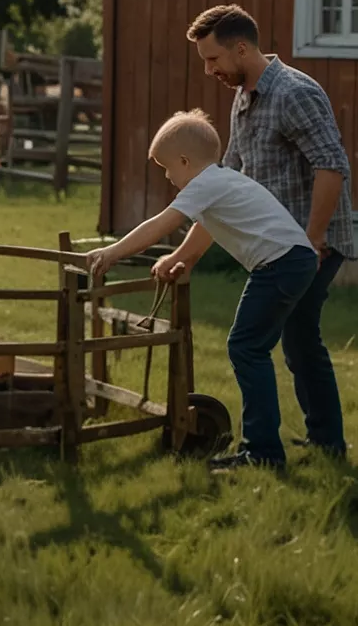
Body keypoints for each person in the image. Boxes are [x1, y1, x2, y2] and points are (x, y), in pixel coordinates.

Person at [162, 3, 355, 462]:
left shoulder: (294, 93)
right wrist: (187, 255)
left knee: (258, 343)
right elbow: (221, 187)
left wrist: (314, 236)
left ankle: (266, 451)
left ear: (242, 48)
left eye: (213, 60)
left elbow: (333, 165)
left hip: (306, 246)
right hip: (281, 248)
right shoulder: (244, 97)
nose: (209, 70)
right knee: (300, 342)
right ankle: (326, 444)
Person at [86, 110, 318, 473]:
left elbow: (163, 223)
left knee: (246, 348)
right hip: (295, 260)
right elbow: (205, 229)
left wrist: (112, 252)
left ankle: (263, 452)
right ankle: (301, 444)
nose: (167, 176)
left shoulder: (205, 184)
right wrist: (183, 259)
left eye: (168, 168)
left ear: (185, 161)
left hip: (280, 264)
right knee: (271, 347)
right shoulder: (221, 183)